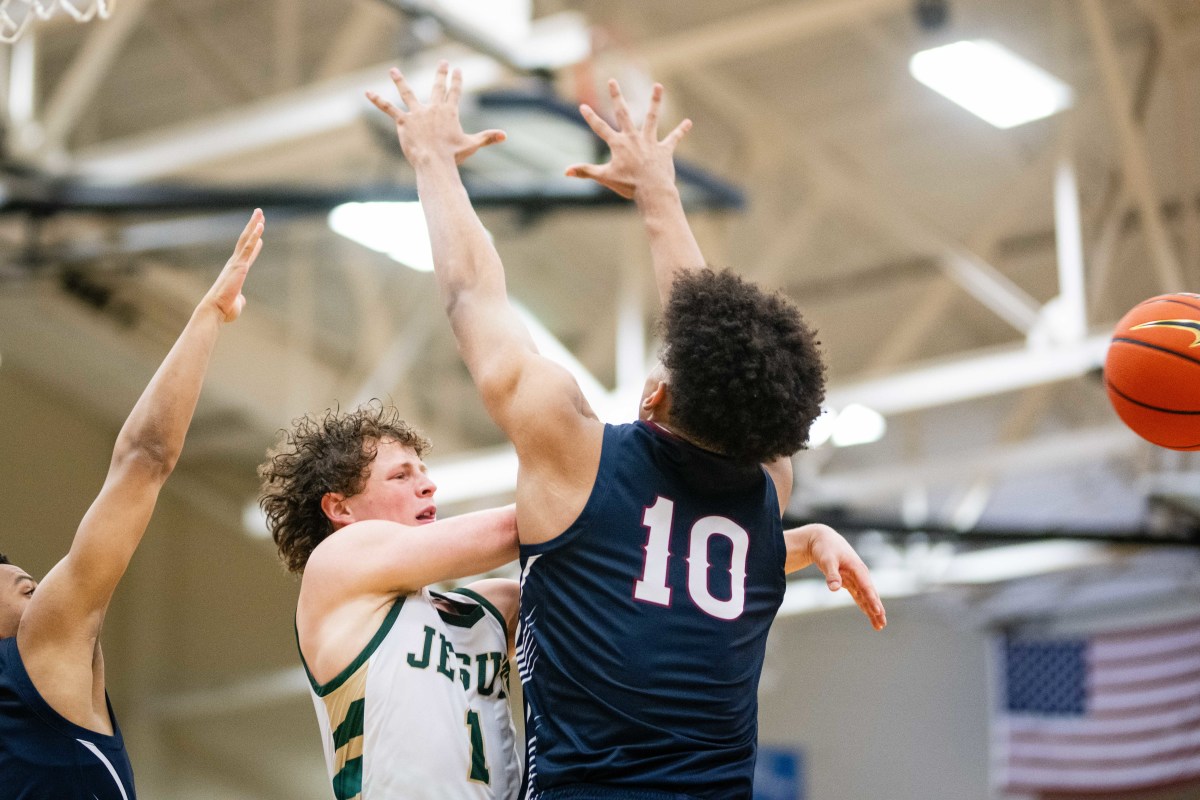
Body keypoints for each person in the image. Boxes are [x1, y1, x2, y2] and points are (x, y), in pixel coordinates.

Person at [368, 64, 887, 800]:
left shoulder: (576, 453)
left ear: (655, 394)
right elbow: (717, 343)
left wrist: (431, 158)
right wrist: (657, 197)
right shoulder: (769, 488)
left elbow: (468, 297)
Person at [0, 210, 266, 799]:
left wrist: (206, 319)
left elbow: (142, 461)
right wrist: (208, 315)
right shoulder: (35, 650)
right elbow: (142, 459)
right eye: (6, 575)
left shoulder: (45, 651)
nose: (27, 575)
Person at [259, 403, 522, 800]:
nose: (428, 486)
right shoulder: (337, 563)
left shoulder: (490, 607)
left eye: (424, 473)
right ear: (340, 507)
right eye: (400, 475)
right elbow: (515, 529)